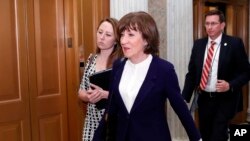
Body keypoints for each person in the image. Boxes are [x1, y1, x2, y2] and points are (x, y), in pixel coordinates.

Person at [94, 11, 201, 141]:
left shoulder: (164, 70)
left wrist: (197, 138)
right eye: (122, 35)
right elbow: (110, 109)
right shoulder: (118, 66)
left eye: (131, 35)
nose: (123, 40)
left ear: (146, 39)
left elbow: (180, 108)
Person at [182, 9, 250, 141]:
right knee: (205, 134)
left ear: (222, 25)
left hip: (224, 99)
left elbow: (246, 72)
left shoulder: (234, 43)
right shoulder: (198, 45)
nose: (209, 27)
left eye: (213, 23)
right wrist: (184, 97)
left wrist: (230, 85)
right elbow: (192, 73)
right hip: (204, 98)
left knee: (218, 135)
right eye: (207, 24)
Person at [78, 17, 121, 141]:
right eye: (100, 32)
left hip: (111, 123)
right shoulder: (91, 59)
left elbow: (126, 96)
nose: (102, 37)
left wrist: (105, 95)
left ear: (116, 41)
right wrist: (87, 97)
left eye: (108, 35)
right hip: (91, 122)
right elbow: (81, 90)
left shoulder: (120, 64)